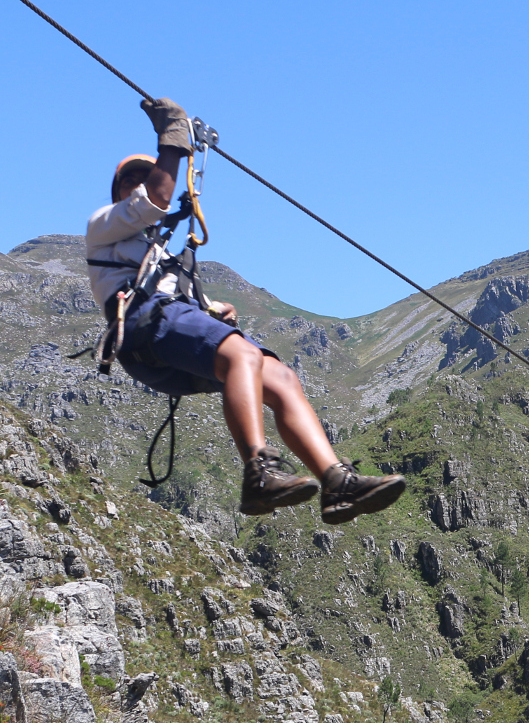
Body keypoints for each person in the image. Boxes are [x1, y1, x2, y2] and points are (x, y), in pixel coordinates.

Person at [85, 97, 404, 523]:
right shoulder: (103, 225)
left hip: (161, 340)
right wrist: (174, 135)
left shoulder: (157, 253)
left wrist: (210, 311)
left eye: (148, 175)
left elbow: (175, 288)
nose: (143, 185)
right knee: (244, 355)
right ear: (118, 194)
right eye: (133, 180)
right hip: (148, 326)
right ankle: (259, 472)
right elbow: (159, 198)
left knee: (280, 377)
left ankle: (336, 480)